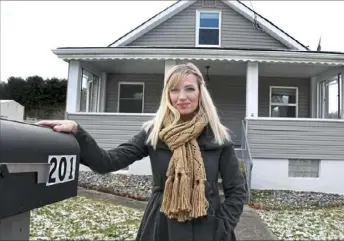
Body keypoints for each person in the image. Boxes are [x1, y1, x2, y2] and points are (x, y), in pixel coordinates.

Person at [37, 62, 246, 241]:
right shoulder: (154, 133)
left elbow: (236, 190)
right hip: (162, 227)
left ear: (200, 92)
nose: (181, 97)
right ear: (167, 95)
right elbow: (108, 161)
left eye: (189, 89)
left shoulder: (219, 138)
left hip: (208, 228)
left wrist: (222, 226)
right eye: (174, 90)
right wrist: (77, 132)